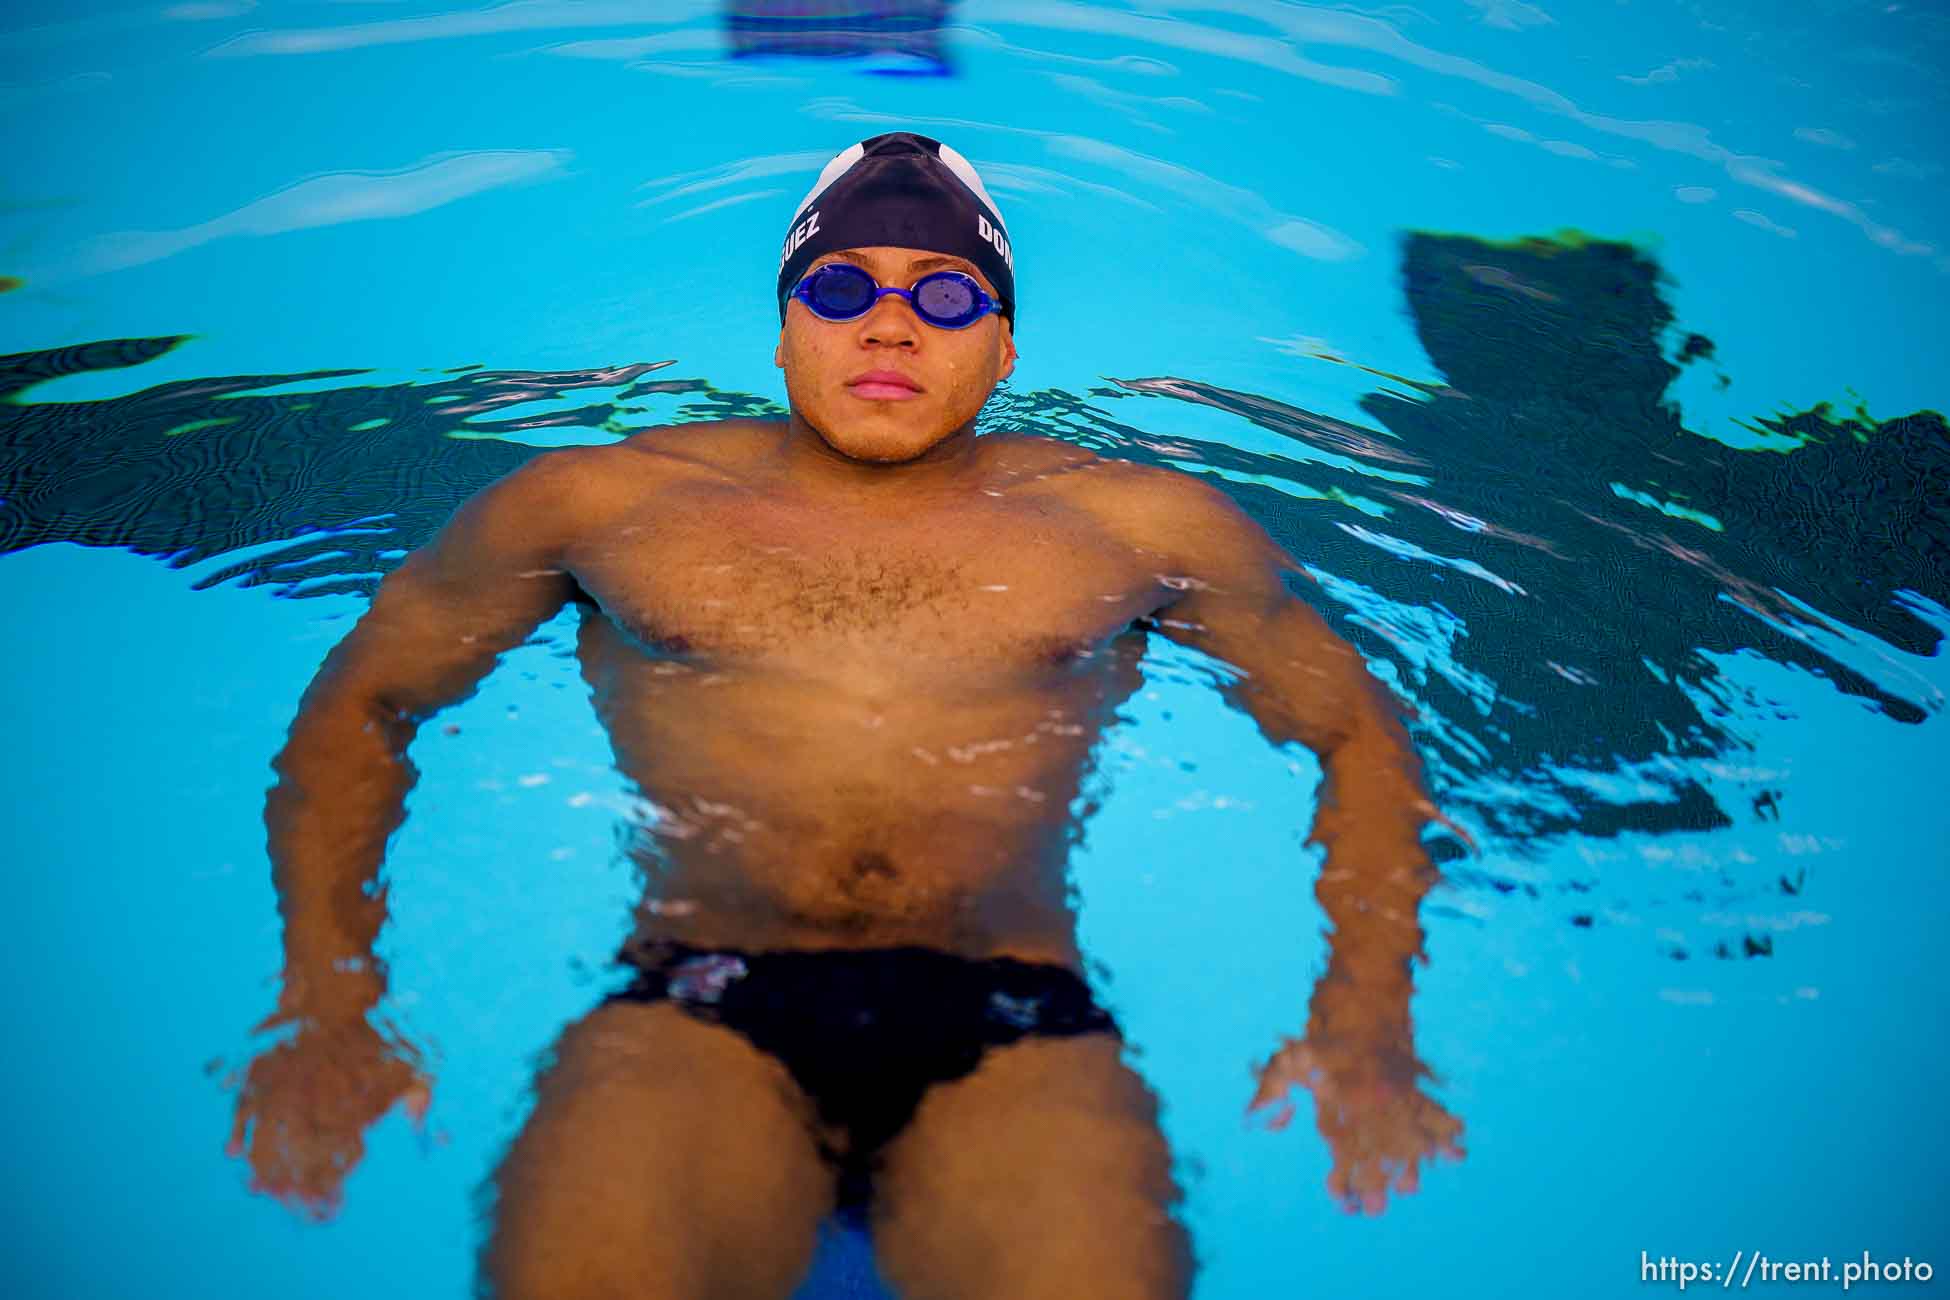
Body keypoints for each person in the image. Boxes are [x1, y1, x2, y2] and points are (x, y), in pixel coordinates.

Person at [228, 132, 1463, 1299]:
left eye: (945, 294)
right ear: (781, 331)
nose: (888, 320)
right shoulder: (599, 504)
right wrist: (329, 994)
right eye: (840, 288)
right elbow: (371, 697)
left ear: (1005, 348)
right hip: (701, 1002)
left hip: (1012, 1019)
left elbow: (1351, 732)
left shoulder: (1143, 528)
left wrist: (1363, 1011)